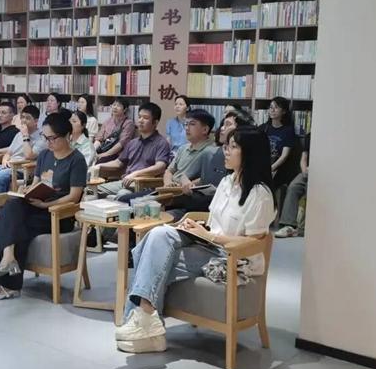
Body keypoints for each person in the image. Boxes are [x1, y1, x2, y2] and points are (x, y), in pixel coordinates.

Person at [114, 127, 275, 353]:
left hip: (233, 258)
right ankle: (148, 324)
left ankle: (145, 323)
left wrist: (209, 235)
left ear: (250, 153)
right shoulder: (227, 182)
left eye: (233, 147)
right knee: (158, 234)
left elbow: (253, 242)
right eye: (226, 146)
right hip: (208, 245)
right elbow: (213, 220)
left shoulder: (260, 194)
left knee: (151, 257)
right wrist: (196, 227)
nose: (226, 151)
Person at [0, 113, 87, 299]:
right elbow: (37, 183)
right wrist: (27, 190)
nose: (48, 143)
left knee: (12, 224)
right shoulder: (45, 155)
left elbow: (74, 197)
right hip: (38, 206)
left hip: (59, 214)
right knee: (12, 206)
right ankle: (8, 258)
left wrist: (46, 205)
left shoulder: (77, 160)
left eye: (52, 138)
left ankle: (8, 281)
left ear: (67, 135)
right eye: (45, 138)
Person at [165, 111, 252, 220]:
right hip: (199, 204)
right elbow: (200, 179)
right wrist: (188, 185)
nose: (222, 128)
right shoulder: (211, 154)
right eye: (222, 124)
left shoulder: (212, 152)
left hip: (211, 210)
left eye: (228, 124)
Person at [95, 102, 171, 198]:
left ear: (155, 123)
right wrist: (98, 166)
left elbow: (160, 167)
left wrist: (136, 174)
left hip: (144, 184)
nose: (141, 120)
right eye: (139, 117)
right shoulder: (133, 142)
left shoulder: (161, 143)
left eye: (145, 118)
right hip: (126, 181)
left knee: (122, 195)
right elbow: (118, 163)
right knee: (92, 190)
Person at [275, 132, 310, 238]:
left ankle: (305, 227)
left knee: (310, 188)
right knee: (293, 186)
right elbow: (304, 158)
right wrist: (304, 171)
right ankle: (289, 225)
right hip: (308, 170)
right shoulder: (310, 136)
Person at [259, 96, 297, 188]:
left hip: (279, 168)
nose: (272, 110)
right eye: (271, 107)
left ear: (284, 111)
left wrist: (270, 169)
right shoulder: (263, 128)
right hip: (263, 165)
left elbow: (284, 156)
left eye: (276, 107)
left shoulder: (288, 130)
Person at [93, 98, 136, 163]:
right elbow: (99, 138)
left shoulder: (128, 123)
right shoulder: (107, 121)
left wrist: (105, 154)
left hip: (117, 155)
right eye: (114, 105)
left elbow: (121, 144)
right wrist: (93, 152)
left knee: (98, 162)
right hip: (103, 150)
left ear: (125, 109)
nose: (115, 107)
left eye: (118, 106)